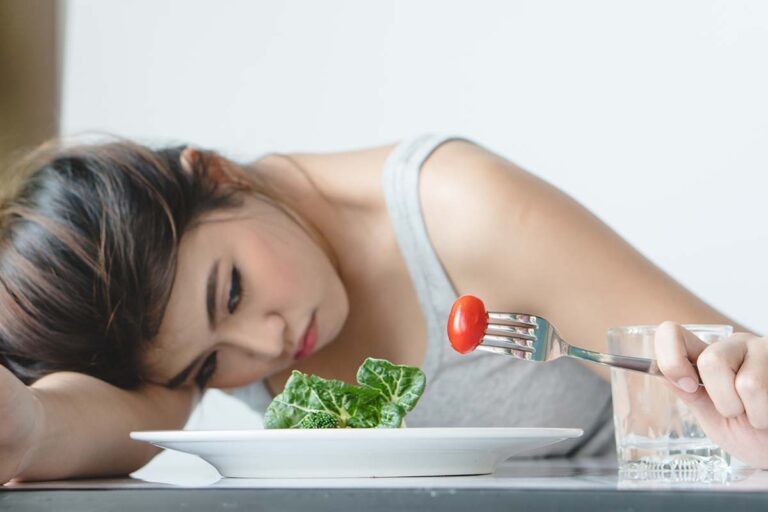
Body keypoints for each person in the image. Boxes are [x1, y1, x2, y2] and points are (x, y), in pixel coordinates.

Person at [0, 134, 766, 484]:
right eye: (207, 365)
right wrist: (27, 429)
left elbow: (723, 377)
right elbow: (111, 421)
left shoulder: (462, 210)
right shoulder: (190, 334)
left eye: (229, 291)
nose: (261, 349)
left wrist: (736, 394)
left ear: (219, 174)